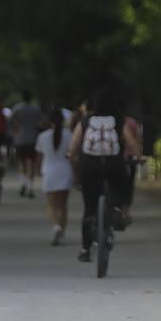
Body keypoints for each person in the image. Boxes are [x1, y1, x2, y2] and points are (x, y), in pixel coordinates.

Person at [69, 89, 131, 263]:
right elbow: (130, 141)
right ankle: (118, 207)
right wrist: (139, 156)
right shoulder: (119, 120)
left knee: (89, 208)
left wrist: (71, 155)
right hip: (113, 165)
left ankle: (85, 249)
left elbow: (74, 143)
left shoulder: (86, 120)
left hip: (89, 166)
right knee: (122, 179)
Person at [35, 106, 73, 245]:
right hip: (65, 170)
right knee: (63, 205)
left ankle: (55, 225)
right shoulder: (69, 135)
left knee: (51, 205)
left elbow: (39, 156)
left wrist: (37, 170)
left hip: (49, 171)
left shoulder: (43, 136)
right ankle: (61, 230)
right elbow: (73, 155)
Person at [8, 90, 44, 196]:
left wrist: (15, 129)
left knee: (22, 162)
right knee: (31, 162)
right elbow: (43, 121)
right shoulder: (35, 109)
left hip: (19, 138)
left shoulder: (17, 108)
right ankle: (30, 185)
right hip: (32, 137)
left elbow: (10, 121)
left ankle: (23, 183)